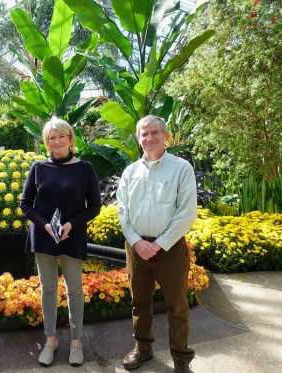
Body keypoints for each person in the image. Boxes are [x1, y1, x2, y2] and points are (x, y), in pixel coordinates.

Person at [116, 115, 197, 373]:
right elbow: (122, 212)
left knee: (177, 305)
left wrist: (159, 244)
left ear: (165, 136)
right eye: (144, 134)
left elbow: (186, 213)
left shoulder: (181, 168)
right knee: (140, 302)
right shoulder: (130, 172)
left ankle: (181, 359)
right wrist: (137, 242)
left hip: (170, 249)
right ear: (138, 139)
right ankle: (143, 349)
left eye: (154, 133)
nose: (149, 138)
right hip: (137, 249)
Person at [20, 117, 101, 368]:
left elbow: (95, 206)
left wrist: (71, 225)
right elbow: (25, 204)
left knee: (75, 289)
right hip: (43, 237)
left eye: (61, 136)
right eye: (51, 138)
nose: (56, 141)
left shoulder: (85, 168)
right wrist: (44, 224)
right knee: (48, 289)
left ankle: (76, 342)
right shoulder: (38, 167)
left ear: (70, 138)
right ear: (47, 141)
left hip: (71, 236)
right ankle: (51, 340)